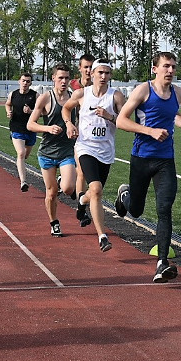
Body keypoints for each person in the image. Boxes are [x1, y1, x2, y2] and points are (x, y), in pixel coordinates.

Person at [115, 51, 181, 282]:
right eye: (166, 66)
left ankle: (162, 262)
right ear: (155, 69)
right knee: (136, 211)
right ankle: (125, 196)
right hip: (142, 157)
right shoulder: (143, 90)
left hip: (165, 160)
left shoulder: (178, 93)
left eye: (173, 66)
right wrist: (150, 131)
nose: (170, 70)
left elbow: (172, 114)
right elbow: (121, 120)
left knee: (165, 209)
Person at [63, 60, 125, 252]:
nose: (104, 76)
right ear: (93, 74)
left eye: (107, 73)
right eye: (100, 72)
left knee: (93, 193)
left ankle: (81, 201)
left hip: (106, 150)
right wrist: (69, 124)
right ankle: (102, 236)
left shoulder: (115, 96)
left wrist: (109, 116)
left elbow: (124, 122)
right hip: (85, 147)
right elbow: (66, 108)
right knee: (96, 189)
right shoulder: (82, 94)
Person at [27, 63, 78, 237]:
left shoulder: (74, 98)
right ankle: (54, 222)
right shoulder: (45, 98)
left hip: (66, 151)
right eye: (61, 78)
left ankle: (62, 179)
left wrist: (75, 129)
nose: (64, 81)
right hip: (47, 153)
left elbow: (77, 121)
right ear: (53, 78)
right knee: (51, 192)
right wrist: (48, 129)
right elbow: (30, 124)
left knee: (70, 188)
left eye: (67, 78)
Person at [70, 53, 95, 226]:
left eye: (91, 67)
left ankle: (81, 207)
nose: (88, 70)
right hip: (71, 133)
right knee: (80, 172)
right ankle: (82, 209)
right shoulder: (72, 86)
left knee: (83, 173)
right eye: (85, 67)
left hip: (90, 136)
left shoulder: (98, 87)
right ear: (80, 68)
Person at [6, 72, 38, 192]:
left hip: (30, 129)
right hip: (16, 128)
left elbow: (42, 111)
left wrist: (31, 111)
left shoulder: (35, 95)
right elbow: (7, 104)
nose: (25, 83)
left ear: (30, 83)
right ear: (19, 81)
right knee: (20, 153)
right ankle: (23, 182)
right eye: (23, 80)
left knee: (25, 156)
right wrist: (8, 111)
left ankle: (20, 166)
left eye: (28, 81)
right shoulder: (13, 94)